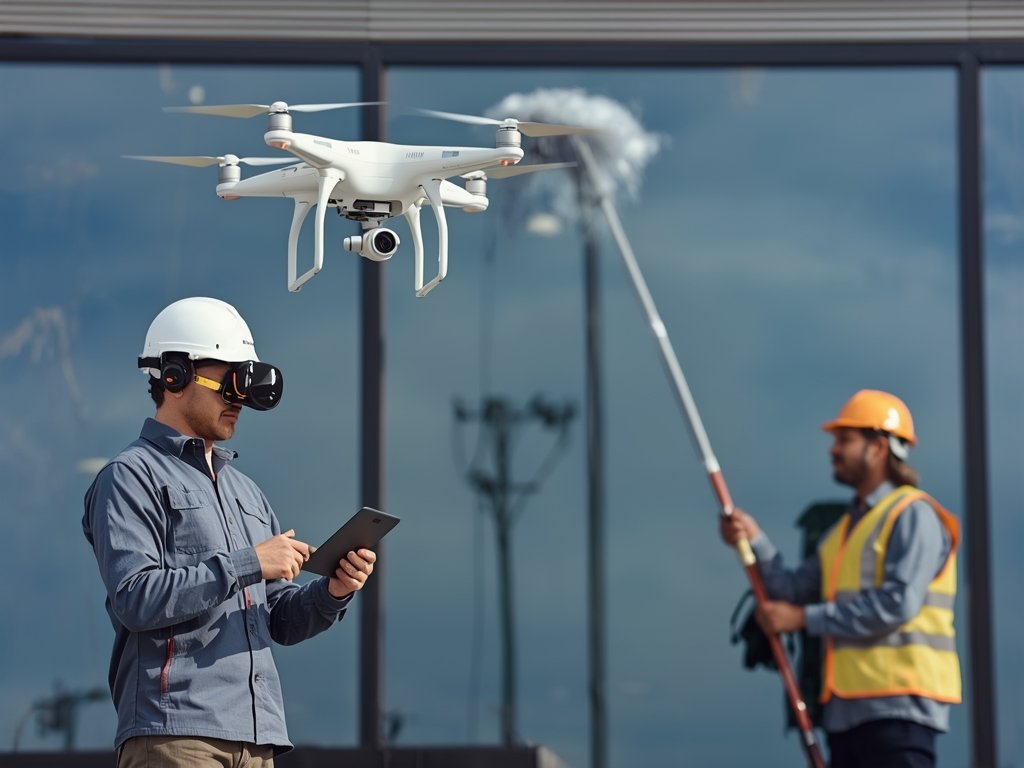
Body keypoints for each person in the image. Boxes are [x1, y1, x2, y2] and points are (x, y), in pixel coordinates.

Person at [83, 296, 376, 767]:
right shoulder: (130, 476)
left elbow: (277, 618)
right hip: (176, 735)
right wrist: (250, 562)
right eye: (228, 384)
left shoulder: (246, 493)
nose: (239, 400)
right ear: (174, 376)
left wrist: (332, 592)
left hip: (257, 740)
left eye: (245, 385)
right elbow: (135, 597)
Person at [720, 389, 961, 768]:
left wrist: (804, 619)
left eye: (845, 440)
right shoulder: (843, 534)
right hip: (847, 716)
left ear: (878, 448)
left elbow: (898, 604)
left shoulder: (912, 515)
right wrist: (754, 540)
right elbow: (791, 591)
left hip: (899, 712)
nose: (833, 450)